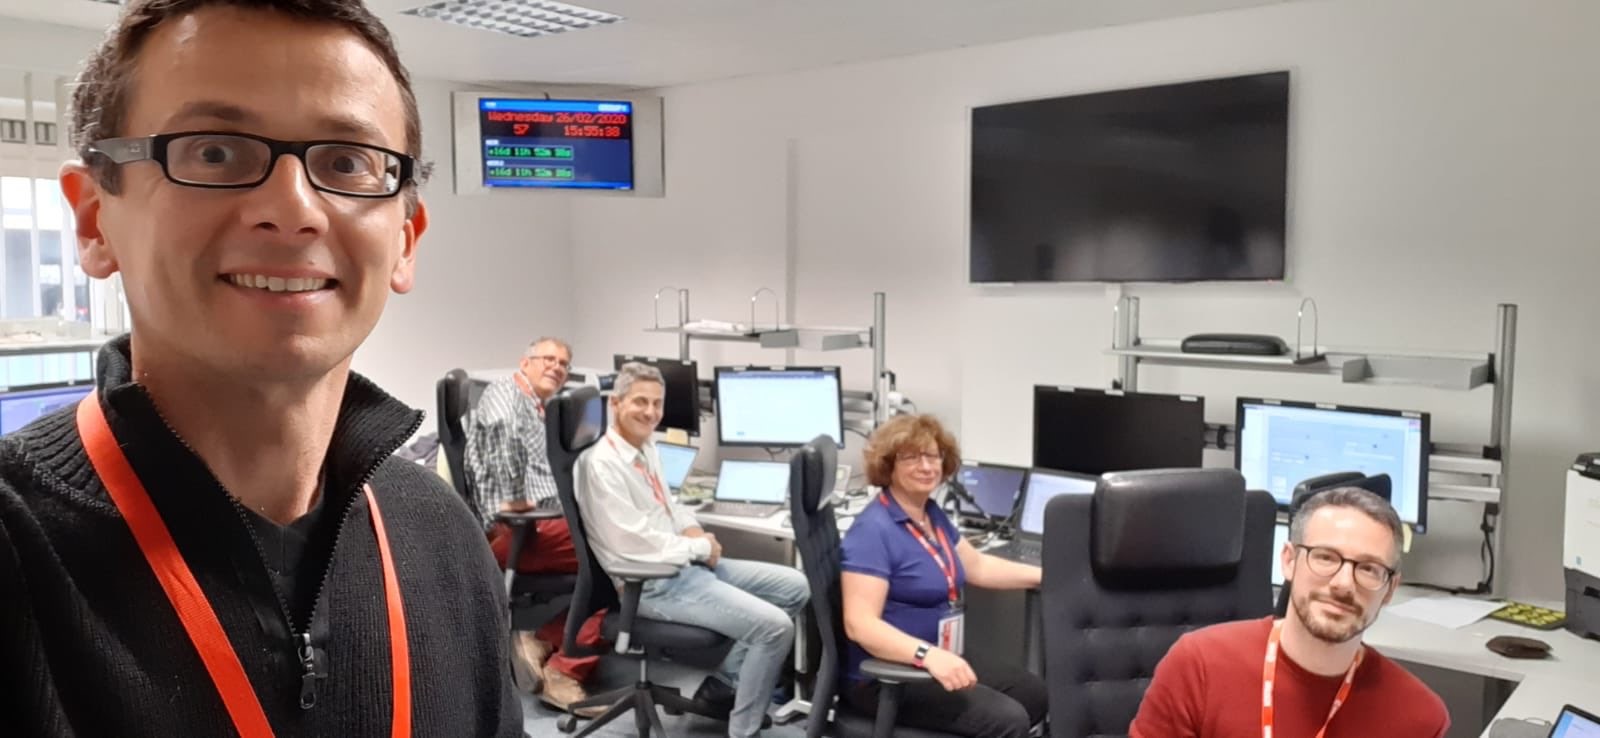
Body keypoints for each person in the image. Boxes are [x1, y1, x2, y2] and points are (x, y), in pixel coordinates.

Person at [0, 0, 522, 735]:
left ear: (405, 240)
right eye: (214, 152)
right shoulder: (19, 551)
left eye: (346, 162)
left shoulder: (443, 537)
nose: (293, 208)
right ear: (94, 220)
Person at [576, 362, 810, 738]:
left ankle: (724, 687)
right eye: (640, 402)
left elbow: (670, 506)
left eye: (657, 403)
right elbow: (632, 544)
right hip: (651, 583)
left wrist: (693, 529)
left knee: (795, 585)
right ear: (615, 403)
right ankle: (743, 731)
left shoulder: (644, 446)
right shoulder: (601, 465)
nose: (651, 412)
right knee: (774, 629)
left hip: (683, 566)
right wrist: (699, 547)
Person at [1129, 487, 1449, 738]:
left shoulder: (1419, 718)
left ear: (1390, 589)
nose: (1343, 583)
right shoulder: (1198, 666)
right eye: (1325, 557)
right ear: (1289, 561)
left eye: (1368, 568)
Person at [839, 414, 1048, 738]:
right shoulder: (872, 530)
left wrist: (1047, 576)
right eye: (911, 457)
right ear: (888, 465)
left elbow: (978, 566)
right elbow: (860, 624)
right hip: (886, 675)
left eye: (932, 456)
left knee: (1033, 694)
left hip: (939, 652)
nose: (926, 466)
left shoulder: (929, 514)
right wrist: (927, 655)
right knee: (1008, 720)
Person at [464, 336, 606, 715]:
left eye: (563, 364)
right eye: (547, 359)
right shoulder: (505, 394)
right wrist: (515, 497)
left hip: (536, 527)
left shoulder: (538, 408)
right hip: (517, 533)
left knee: (616, 549)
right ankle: (565, 671)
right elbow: (503, 442)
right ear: (524, 362)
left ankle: (543, 639)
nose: (556, 368)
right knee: (616, 558)